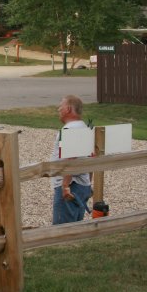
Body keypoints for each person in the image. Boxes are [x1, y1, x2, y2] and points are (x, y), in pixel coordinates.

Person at [51, 94, 92, 224]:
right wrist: (89, 182)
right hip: (83, 185)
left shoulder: (69, 130)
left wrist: (65, 186)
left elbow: (70, 158)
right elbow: (92, 157)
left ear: (68, 109)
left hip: (71, 186)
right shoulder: (85, 127)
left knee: (62, 229)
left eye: (61, 107)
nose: (58, 110)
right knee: (76, 226)